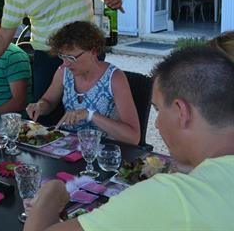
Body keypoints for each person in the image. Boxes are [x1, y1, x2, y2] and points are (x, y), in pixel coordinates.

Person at [23, 46, 234, 231]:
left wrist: (51, 193)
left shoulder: (172, 195)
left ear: (181, 112)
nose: (158, 124)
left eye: (158, 109)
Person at [25, 21, 140, 144]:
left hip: (102, 149)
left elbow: (133, 137)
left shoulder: (114, 78)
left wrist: (91, 115)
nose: (65, 63)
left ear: (94, 51)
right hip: (68, 146)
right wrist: (40, 106)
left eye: (71, 58)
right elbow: (49, 101)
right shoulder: (64, 72)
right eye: (62, 56)